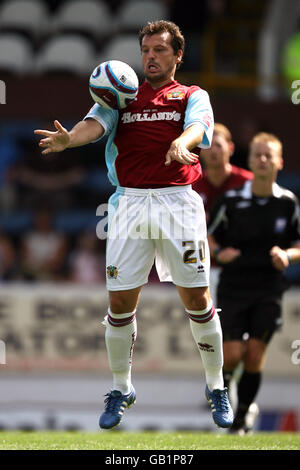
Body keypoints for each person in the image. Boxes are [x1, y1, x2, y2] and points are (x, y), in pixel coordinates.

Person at [34, 20, 233, 430]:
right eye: (146, 50)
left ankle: (216, 386)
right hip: (128, 206)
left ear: (178, 55)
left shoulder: (192, 95)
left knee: (197, 299)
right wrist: (70, 138)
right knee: (120, 305)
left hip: (178, 203)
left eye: (160, 50)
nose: (150, 57)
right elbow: (96, 124)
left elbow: (199, 126)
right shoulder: (121, 89)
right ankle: (121, 388)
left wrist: (184, 141)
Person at [207, 132, 300, 434]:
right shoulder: (231, 201)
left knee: (255, 353)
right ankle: (222, 392)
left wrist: (287, 255)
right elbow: (206, 238)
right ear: (248, 161)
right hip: (233, 285)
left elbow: (298, 244)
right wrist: (221, 252)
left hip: (269, 287)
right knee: (232, 353)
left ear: (279, 162)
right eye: (257, 155)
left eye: (267, 155)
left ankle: (243, 415)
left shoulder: (288, 202)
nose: (262, 160)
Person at [192, 123, 253, 304]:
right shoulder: (191, 185)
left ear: (231, 148)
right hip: (202, 269)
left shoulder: (249, 183)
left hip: (244, 268)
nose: (213, 151)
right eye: (207, 145)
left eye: (218, 145)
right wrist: (217, 251)